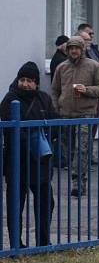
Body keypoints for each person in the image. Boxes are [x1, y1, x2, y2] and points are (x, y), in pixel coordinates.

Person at [1, 62, 57, 247]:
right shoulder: (10, 99)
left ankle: (43, 241)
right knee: (16, 206)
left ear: (36, 83)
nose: (25, 84)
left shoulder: (44, 99)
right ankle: (17, 244)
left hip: (39, 163)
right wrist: (31, 136)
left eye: (29, 81)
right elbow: (9, 128)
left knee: (46, 204)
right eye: (22, 80)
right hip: (17, 162)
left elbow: (55, 122)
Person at [51, 36, 99, 197]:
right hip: (65, 115)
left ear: (82, 49)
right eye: (71, 48)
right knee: (68, 150)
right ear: (67, 50)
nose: (74, 51)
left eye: (77, 48)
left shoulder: (93, 66)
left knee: (82, 149)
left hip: (85, 114)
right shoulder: (61, 68)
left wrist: (87, 90)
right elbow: (55, 90)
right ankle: (76, 176)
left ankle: (78, 182)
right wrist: (57, 107)